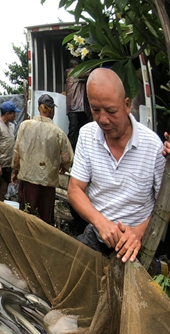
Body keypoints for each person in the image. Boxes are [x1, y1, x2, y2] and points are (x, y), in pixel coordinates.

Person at [68, 68, 165, 263]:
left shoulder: (153, 146)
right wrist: (101, 223)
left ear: (127, 105)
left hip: (138, 244)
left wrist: (138, 232)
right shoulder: (87, 135)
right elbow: (75, 190)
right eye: (95, 110)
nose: (103, 120)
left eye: (111, 111)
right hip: (96, 236)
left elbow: (164, 208)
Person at [12, 94, 73, 225]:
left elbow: (17, 151)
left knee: (26, 216)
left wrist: (15, 170)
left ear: (39, 108)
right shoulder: (58, 132)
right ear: (51, 110)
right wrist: (64, 166)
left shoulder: (25, 126)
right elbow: (67, 156)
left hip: (28, 177)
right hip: (48, 181)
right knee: (46, 220)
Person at [65, 58, 90, 150]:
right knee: (74, 131)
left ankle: (76, 151)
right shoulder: (72, 72)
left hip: (79, 107)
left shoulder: (74, 73)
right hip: (75, 107)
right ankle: (69, 151)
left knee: (79, 130)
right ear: (75, 66)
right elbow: (88, 75)